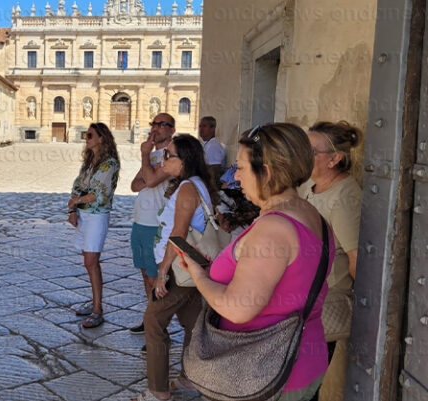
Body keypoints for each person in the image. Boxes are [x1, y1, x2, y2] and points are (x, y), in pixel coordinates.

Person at [177, 123, 334, 401]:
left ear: (268, 171)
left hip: (264, 373)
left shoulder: (274, 229)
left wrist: (200, 276)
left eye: (241, 167)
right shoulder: (311, 214)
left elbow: (237, 310)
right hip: (300, 361)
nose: (236, 177)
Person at [133, 134, 215, 401]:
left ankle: (158, 391)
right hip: (190, 267)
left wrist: (162, 274)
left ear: (184, 161)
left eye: (169, 155)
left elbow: (178, 235)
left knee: (154, 321)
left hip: (180, 267)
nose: (163, 158)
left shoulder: (189, 188)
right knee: (192, 322)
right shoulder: (191, 185)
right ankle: (191, 378)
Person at [300, 121, 362, 401]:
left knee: (304, 390)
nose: (303, 155)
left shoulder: (345, 197)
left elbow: (356, 258)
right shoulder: (310, 188)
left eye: (311, 151)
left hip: (322, 307)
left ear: (334, 159)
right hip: (300, 302)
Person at [68, 122, 120, 329]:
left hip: (97, 217)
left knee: (91, 261)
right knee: (88, 262)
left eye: (90, 135)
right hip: (83, 215)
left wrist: (76, 202)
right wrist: (73, 209)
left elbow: (99, 195)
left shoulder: (110, 164)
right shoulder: (90, 162)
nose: (86, 138)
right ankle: (94, 302)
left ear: (102, 139)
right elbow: (77, 186)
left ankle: (98, 309)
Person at [128, 113, 175, 335]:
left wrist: (144, 156)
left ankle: (158, 329)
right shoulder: (154, 155)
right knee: (145, 274)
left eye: (161, 124)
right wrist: (148, 162)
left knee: (155, 277)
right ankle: (150, 318)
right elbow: (134, 185)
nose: (155, 128)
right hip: (140, 221)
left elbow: (153, 180)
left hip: (156, 222)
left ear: (172, 129)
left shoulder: (171, 155)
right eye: (153, 123)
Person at [198, 116, 226, 186]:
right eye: (200, 126)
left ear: (213, 129)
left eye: (204, 126)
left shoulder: (213, 146)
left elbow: (214, 172)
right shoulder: (204, 144)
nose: (201, 129)